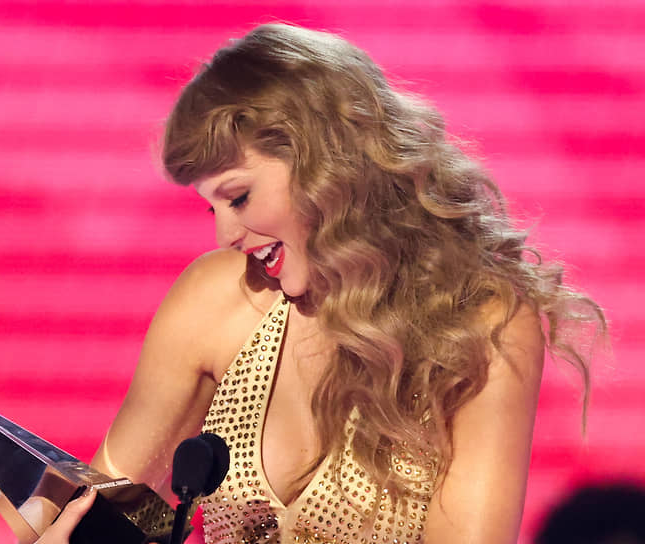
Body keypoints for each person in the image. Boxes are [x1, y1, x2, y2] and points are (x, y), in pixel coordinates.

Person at [37, 23, 605, 544]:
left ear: (327, 166)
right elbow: (100, 516)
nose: (225, 234)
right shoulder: (216, 298)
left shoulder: (481, 323)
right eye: (212, 208)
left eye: (239, 197)